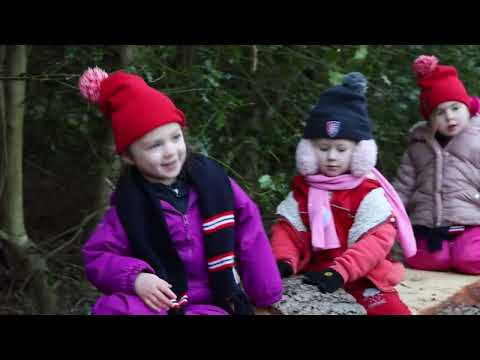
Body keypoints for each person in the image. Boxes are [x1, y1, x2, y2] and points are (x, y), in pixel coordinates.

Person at [78, 67, 282, 315]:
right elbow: (98, 255)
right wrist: (137, 278)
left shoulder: (214, 182)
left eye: (175, 138)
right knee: (113, 308)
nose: (170, 151)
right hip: (160, 303)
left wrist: (265, 297)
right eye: (155, 145)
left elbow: (251, 234)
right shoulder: (129, 204)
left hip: (212, 301)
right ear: (130, 157)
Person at [271, 72, 416, 315]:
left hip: (362, 275)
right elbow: (288, 230)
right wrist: (283, 261)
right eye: (323, 148)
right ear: (308, 150)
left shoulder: (369, 194)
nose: (331, 157)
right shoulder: (302, 191)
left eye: (341, 149)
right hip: (314, 275)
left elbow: (375, 242)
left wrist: (340, 272)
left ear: (359, 152)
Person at [393, 55, 480, 275]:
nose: (449, 117)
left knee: (469, 258)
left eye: (455, 108)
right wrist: (389, 217)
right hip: (430, 227)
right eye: (440, 112)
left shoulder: (477, 138)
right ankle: (448, 253)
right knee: (432, 259)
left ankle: (460, 252)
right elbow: (403, 188)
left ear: (467, 107)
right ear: (429, 119)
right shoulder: (417, 146)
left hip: (471, 222)